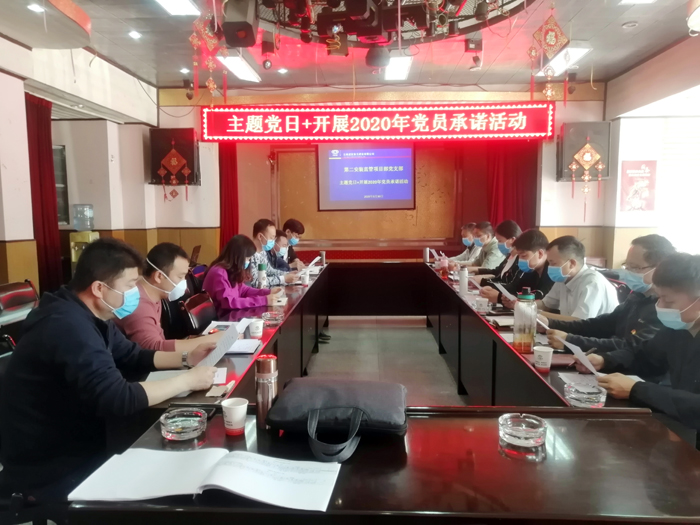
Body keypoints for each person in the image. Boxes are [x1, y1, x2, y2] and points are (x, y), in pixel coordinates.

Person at [0, 238, 217, 500]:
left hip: (83, 435)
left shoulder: (90, 314)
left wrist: (186, 358)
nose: (135, 292)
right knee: (173, 484)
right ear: (99, 288)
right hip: (51, 461)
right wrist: (187, 381)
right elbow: (117, 397)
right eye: (130, 285)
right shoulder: (67, 325)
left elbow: (132, 354)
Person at [576, 253, 700, 432]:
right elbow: (644, 356)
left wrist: (636, 390)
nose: (660, 306)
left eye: (669, 301)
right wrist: (605, 360)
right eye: (659, 298)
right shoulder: (677, 330)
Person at [543, 234, 675, 353]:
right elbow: (601, 324)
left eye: (635, 267)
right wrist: (551, 323)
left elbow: (632, 346)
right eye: (627, 266)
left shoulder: (664, 308)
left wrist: (570, 341)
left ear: (659, 268)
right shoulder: (636, 297)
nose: (628, 272)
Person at [116, 242, 224, 351]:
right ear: (159, 276)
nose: (185, 284)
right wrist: (209, 340)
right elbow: (152, 348)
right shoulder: (138, 302)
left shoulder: (155, 294)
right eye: (180, 277)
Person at [538, 235, 618, 320]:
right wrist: (529, 306)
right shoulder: (563, 279)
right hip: (571, 328)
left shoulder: (592, 283)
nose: (549, 267)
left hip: (595, 329)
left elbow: (578, 322)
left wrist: (536, 314)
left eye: (553, 263)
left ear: (572, 263)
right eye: (549, 263)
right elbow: (545, 304)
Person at [203, 235, 283, 316]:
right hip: (220, 318)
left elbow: (243, 290)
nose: (248, 262)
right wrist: (264, 300)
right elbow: (229, 302)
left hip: (230, 315)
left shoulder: (231, 270)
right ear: (238, 257)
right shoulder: (219, 272)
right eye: (248, 259)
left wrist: (268, 292)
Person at [481, 228, 553, 308]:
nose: (520, 260)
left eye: (524, 256)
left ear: (540, 253)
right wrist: (492, 289)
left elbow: (541, 297)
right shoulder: (531, 270)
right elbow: (515, 287)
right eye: (519, 256)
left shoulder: (552, 271)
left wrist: (499, 297)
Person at [249, 219, 297, 288]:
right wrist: (283, 279)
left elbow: (269, 270)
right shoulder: (248, 254)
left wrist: (288, 274)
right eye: (271, 238)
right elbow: (257, 282)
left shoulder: (262, 252)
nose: (273, 242)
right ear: (260, 236)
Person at [474, 220, 522, 284]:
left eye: (500, 241)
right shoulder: (509, 256)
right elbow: (497, 272)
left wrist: (483, 281)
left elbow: (510, 285)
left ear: (512, 240)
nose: (498, 244)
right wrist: (475, 272)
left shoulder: (520, 260)